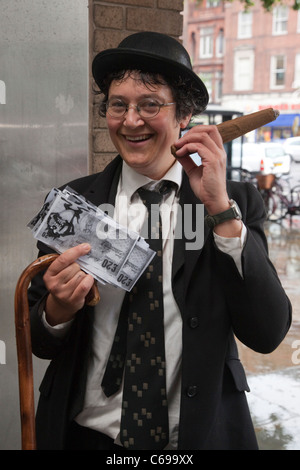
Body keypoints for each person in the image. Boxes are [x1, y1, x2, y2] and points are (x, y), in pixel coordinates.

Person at [28, 31, 292, 450]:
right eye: (119, 105)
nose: (131, 121)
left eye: (150, 104)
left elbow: (267, 332)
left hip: (196, 438)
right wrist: (57, 309)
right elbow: (38, 341)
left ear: (183, 114)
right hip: (84, 435)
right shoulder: (75, 205)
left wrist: (220, 212)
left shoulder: (234, 202)